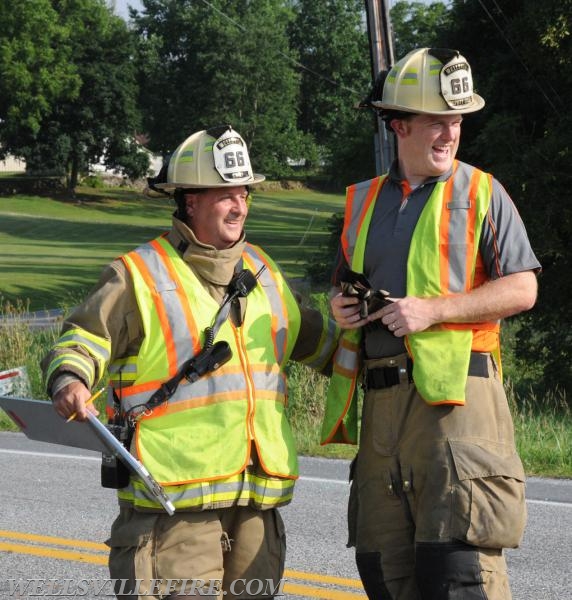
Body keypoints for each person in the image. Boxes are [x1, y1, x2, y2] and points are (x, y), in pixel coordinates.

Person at [42, 125, 339, 600]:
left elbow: (323, 343)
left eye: (243, 192)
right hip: (172, 513)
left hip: (254, 515)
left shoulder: (263, 272)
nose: (239, 205)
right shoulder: (139, 274)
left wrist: (385, 351)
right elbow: (83, 338)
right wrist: (70, 379)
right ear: (189, 201)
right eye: (225, 194)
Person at [320, 48, 541, 600]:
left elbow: (524, 288)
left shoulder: (483, 192)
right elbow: (345, 281)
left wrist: (433, 308)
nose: (450, 134)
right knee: (385, 570)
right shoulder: (362, 201)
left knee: (460, 574)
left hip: (459, 407)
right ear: (399, 125)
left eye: (458, 121)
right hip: (382, 413)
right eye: (436, 122)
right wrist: (339, 307)